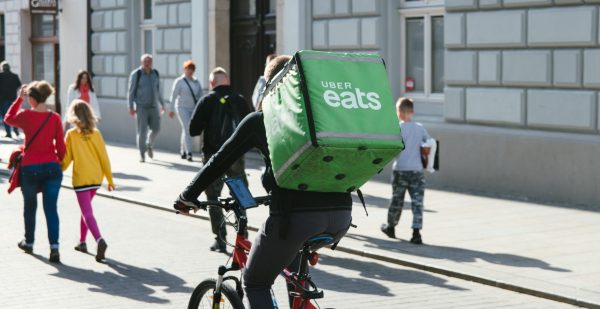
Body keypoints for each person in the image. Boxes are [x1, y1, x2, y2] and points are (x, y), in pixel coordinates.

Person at [175, 56, 352, 308]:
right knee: (295, 279)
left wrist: (187, 196)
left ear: (270, 86)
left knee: (255, 281)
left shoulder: (263, 119)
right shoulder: (322, 118)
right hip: (341, 215)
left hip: (295, 218)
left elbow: (219, 161)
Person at [188, 67, 253, 253]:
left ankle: (220, 239)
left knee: (213, 198)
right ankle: (243, 238)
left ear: (211, 84)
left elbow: (193, 130)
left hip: (213, 156)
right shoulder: (240, 100)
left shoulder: (207, 100)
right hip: (236, 155)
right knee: (240, 196)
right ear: (228, 81)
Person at [4, 81, 66, 263]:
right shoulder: (54, 117)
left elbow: (8, 118)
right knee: (51, 209)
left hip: (30, 168)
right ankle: (54, 248)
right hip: (52, 167)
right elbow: (61, 147)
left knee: (30, 207)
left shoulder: (26, 115)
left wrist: (18, 99)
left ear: (31, 98)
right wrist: (59, 162)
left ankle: (29, 242)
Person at [62, 99, 115, 262]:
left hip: (81, 179)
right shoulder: (96, 133)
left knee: (86, 212)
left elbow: (66, 159)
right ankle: (82, 242)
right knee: (86, 211)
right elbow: (104, 158)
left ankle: (99, 240)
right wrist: (109, 179)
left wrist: (57, 170)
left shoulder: (71, 134)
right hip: (95, 177)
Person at [381, 97, 431, 244]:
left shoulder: (397, 129)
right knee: (417, 202)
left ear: (400, 112)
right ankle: (416, 233)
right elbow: (429, 144)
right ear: (412, 112)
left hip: (400, 170)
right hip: (417, 170)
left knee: (397, 200)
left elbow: (392, 150)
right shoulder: (420, 128)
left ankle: (391, 227)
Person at [127, 54, 175, 162]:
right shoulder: (137, 74)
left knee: (156, 128)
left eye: (149, 61)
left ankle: (149, 144)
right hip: (141, 107)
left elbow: (159, 91)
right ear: (141, 62)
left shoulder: (155, 73)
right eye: (145, 61)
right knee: (142, 131)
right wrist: (130, 106)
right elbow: (131, 91)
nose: (147, 63)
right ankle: (142, 154)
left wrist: (163, 104)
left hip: (154, 106)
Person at [169, 60, 203, 161]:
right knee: (188, 129)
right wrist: (171, 109)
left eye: (192, 69)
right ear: (184, 69)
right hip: (181, 108)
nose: (190, 71)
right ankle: (189, 152)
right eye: (188, 69)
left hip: (193, 108)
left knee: (186, 129)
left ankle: (182, 150)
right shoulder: (179, 81)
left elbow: (200, 96)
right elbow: (173, 95)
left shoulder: (196, 82)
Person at [0, 61, 22, 138]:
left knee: (5, 116)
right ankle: (15, 129)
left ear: (2, 68)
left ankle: (8, 132)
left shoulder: (0, 76)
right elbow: (19, 85)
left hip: (2, 99)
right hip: (13, 98)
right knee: (13, 115)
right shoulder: (15, 76)